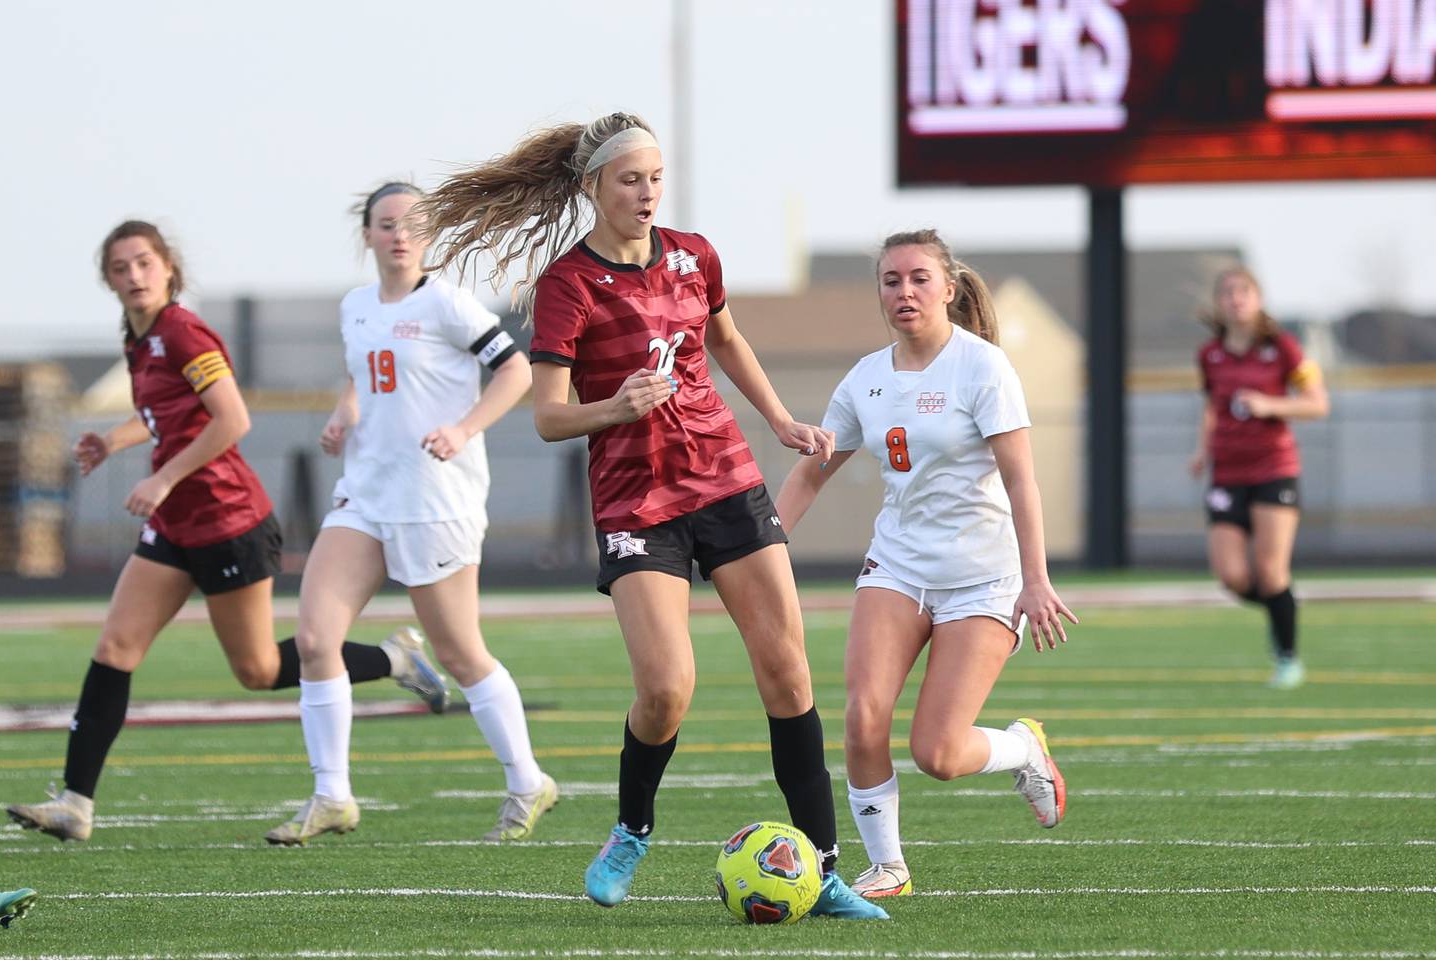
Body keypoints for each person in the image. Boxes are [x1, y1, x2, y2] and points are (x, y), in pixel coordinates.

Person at [420, 112, 886, 919]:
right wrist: (616, 405)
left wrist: (777, 421)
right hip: (636, 502)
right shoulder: (566, 286)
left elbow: (727, 341)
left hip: (726, 480)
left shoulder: (694, 254)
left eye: (656, 177)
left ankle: (825, 866)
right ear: (592, 187)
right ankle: (632, 830)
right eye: (630, 179)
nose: (646, 192)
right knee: (667, 689)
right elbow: (548, 417)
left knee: (788, 674)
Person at [6, 221, 446, 844]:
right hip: (175, 528)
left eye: (143, 263)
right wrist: (112, 440)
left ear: (167, 268)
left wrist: (161, 480)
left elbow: (231, 419)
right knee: (114, 651)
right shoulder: (139, 338)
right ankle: (76, 803)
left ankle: (396, 657)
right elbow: (163, 415)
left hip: (228, 523)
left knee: (259, 670)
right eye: (120, 267)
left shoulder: (183, 331)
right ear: (108, 279)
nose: (133, 275)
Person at [774, 230, 1077, 899]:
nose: (903, 292)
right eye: (890, 280)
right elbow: (808, 477)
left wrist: (1035, 579)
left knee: (937, 754)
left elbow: (1023, 482)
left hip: (984, 577)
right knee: (861, 716)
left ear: (948, 286)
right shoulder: (866, 379)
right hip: (898, 566)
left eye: (917, 278)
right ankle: (888, 867)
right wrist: (763, 549)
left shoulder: (983, 368)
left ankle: (1025, 750)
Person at [265, 183, 555, 846]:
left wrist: (463, 427)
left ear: (428, 237)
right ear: (366, 234)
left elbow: (513, 372)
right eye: (386, 225)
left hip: (435, 500)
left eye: (411, 226)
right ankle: (332, 796)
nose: (399, 236)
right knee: (314, 640)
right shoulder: (356, 306)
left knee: (459, 652)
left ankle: (527, 780)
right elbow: (363, 372)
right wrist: (346, 413)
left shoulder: (447, 302)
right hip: (366, 493)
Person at [1188, 266, 1329, 690]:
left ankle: (1287, 658)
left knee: (1270, 573)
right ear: (1219, 303)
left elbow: (1318, 404)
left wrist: (1271, 405)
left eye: (1244, 291)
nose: (1236, 299)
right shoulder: (1210, 355)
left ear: (1259, 298)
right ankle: (1279, 610)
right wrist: (1202, 450)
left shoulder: (1283, 348)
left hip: (1274, 469)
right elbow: (1213, 407)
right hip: (1227, 473)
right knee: (1232, 576)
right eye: (1228, 292)